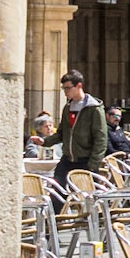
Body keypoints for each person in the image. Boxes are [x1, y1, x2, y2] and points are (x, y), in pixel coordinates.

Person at [46, 69, 108, 198]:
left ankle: (94, 217)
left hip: (86, 160)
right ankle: (55, 217)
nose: (65, 92)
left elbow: (101, 138)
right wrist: (45, 142)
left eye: (68, 88)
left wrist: (93, 164)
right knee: (57, 192)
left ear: (78, 86)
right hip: (68, 159)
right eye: (64, 89)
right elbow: (61, 133)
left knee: (89, 197)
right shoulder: (68, 107)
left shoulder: (94, 108)